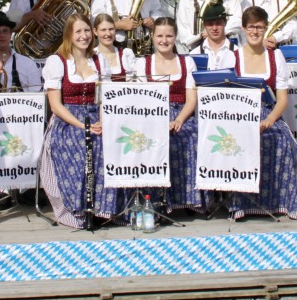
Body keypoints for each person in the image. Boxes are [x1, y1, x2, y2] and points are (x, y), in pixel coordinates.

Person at [39, 13, 119, 227]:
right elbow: (55, 105)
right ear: (69, 35)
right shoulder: (57, 61)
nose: (83, 36)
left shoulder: (100, 60)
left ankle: (104, 208)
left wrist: (102, 121)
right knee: (79, 143)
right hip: (67, 120)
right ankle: (80, 208)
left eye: (86, 30)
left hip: (96, 115)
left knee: (107, 142)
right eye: (78, 32)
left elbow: (105, 99)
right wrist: (82, 125)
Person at [230, 6, 297, 220]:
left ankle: (280, 202)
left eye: (259, 28)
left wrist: (269, 120)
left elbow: (282, 100)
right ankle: (241, 203)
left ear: (266, 29)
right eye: (251, 27)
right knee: (240, 141)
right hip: (240, 115)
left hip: (269, 113)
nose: (255, 32)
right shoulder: (231, 58)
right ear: (243, 29)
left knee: (281, 141)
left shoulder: (275, 57)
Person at [134, 17, 200, 212]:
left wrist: (179, 119)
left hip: (181, 114)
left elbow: (191, 100)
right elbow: (140, 101)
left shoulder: (186, 63)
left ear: (175, 37)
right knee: (150, 139)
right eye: (160, 35)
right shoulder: (142, 64)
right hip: (152, 116)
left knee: (191, 136)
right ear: (152, 37)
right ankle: (154, 199)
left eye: (169, 36)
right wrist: (158, 121)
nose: (164, 40)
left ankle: (187, 200)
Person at [191, 2, 237, 71]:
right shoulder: (194, 54)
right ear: (204, 25)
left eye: (218, 23)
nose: (214, 28)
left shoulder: (237, 53)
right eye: (210, 24)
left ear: (225, 22)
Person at [92, 13, 137, 82]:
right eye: (103, 30)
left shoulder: (126, 55)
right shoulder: (91, 57)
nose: (108, 34)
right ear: (95, 31)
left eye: (111, 29)